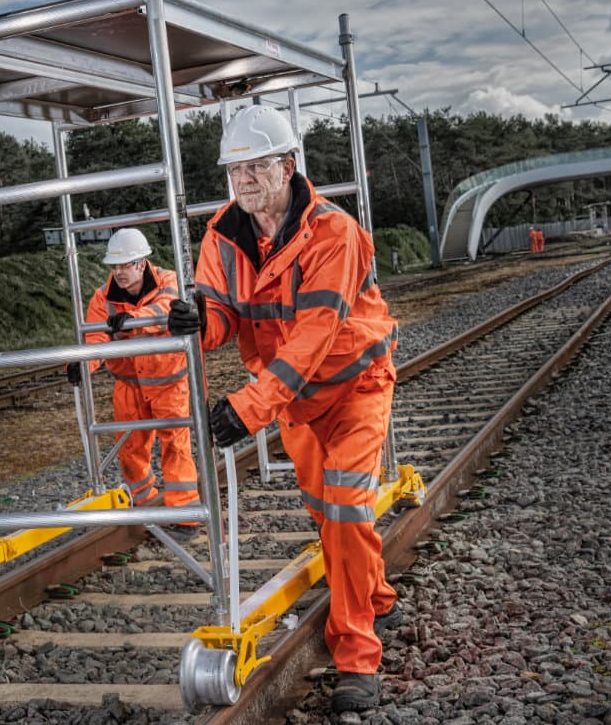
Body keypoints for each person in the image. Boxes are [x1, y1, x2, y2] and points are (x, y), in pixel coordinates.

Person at [165, 104, 400, 713]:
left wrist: (249, 408)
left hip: (354, 387)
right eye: (233, 169)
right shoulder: (223, 234)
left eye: (256, 165)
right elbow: (223, 315)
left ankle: (356, 654)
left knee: (346, 508)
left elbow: (311, 338)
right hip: (296, 404)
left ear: (287, 165)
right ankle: (372, 594)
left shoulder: (334, 234)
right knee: (330, 517)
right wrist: (198, 321)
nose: (243, 178)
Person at [68, 227, 199, 522]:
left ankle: (185, 516)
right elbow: (96, 339)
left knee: (175, 448)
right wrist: (82, 364)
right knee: (130, 450)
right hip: (128, 386)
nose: (119, 272)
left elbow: (167, 307)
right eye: (114, 266)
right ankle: (146, 508)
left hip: (169, 384)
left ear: (142, 263)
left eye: (125, 265)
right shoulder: (104, 299)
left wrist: (133, 320)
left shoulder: (168, 281)